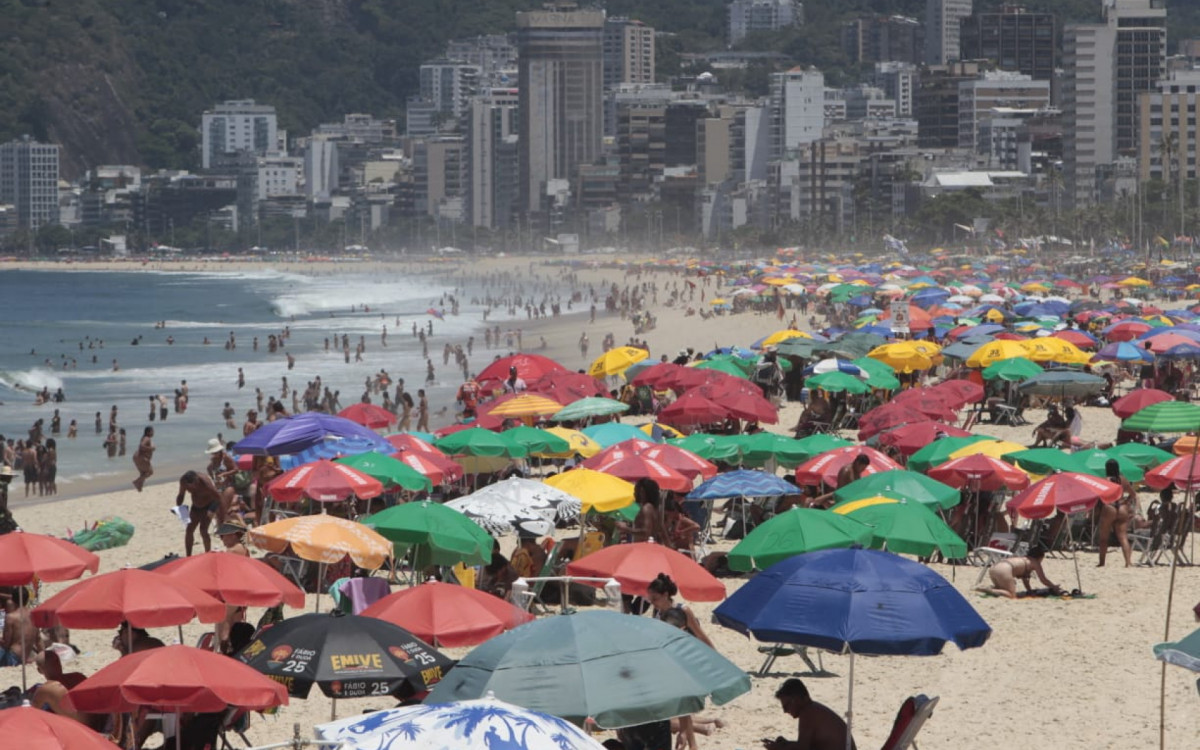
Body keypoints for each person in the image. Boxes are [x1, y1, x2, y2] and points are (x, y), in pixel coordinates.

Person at [763, 678, 856, 750]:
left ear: (795, 700)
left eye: (786, 707)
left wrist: (779, 748)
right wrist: (786, 744)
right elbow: (807, 745)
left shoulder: (808, 713)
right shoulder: (813, 708)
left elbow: (802, 748)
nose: (785, 711)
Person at [646, 573, 714, 648]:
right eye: (650, 599)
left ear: (665, 595)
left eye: (655, 599)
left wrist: (716, 655)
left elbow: (700, 635)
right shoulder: (657, 612)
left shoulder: (683, 610)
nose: (652, 602)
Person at [976, 545, 1064, 599]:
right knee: (1011, 595)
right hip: (1005, 569)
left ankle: (990, 589)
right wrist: (1054, 586)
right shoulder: (1035, 563)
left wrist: (1029, 591)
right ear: (1040, 557)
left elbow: (1025, 579)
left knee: (1002, 590)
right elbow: (1043, 579)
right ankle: (988, 589)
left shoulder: (1024, 559)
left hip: (994, 568)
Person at [1097, 459, 1135, 567]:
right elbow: (1133, 494)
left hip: (1109, 507)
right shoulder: (1123, 480)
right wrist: (1126, 502)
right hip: (1122, 507)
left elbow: (1099, 497)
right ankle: (1128, 562)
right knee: (1123, 537)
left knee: (1104, 538)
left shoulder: (1105, 480)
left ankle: (1102, 562)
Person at [175, 470, 222, 555]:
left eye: (192, 488)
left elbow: (218, 498)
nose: (189, 491)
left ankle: (207, 553)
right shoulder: (183, 481)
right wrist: (179, 507)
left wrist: (218, 513)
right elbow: (181, 495)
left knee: (203, 530)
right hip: (196, 506)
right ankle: (188, 556)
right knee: (189, 530)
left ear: (196, 481)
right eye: (188, 488)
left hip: (210, 504)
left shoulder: (205, 482)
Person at [0, 586, 37, 665]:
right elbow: (38, 639)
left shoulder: (11, 617)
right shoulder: (34, 615)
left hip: (13, 657)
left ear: (12, 600)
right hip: (26, 656)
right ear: (27, 599)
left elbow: (6, 644)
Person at [132, 426, 154, 491]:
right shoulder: (147, 438)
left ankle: (139, 486)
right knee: (150, 472)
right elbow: (141, 446)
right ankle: (136, 482)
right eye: (152, 431)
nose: (153, 433)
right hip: (141, 458)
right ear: (149, 432)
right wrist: (151, 448)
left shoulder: (144, 438)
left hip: (137, 457)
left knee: (143, 473)